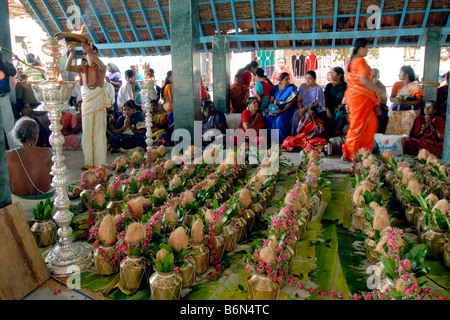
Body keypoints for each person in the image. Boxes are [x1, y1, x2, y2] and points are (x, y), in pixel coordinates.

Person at [66, 42, 109, 170]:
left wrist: (91, 53)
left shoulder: (102, 68)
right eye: (89, 54)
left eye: (95, 53)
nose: (92, 56)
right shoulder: (82, 68)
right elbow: (67, 67)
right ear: (84, 55)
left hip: (98, 103)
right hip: (87, 105)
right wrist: (71, 53)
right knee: (87, 134)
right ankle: (89, 163)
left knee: (98, 134)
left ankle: (100, 165)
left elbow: (102, 66)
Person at [342, 38, 386, 161]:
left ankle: (359, 153)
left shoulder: (351, 61)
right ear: (360, 48)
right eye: (366, 48)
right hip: (359, 98)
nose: (367, 50)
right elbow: (364, 80)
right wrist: (379, 90)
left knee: (367, 124)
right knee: (359, 126)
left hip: (357, 97)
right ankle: (351, 153)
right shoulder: (359, 60)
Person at [6, 117, 53, 198]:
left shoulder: (8, 156)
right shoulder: (48, 153)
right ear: (35, 136)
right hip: (46, 201)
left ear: (16, 136)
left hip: (20, 204)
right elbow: (54, 180)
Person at [264, 72, 297, 145]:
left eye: (289, 79)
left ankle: (282, 142)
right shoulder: (275, 88)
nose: (288, 81)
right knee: (268, 116)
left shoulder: (292, 87)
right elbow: (272, 100)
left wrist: (282, 110)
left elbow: (291, 102)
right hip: (277, 107)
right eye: (286, 79)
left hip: (288, 108)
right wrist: (273, 110)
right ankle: (273, 140)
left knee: (279, 119)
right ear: (280, 81)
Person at [290, 71, 325, 138]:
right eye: (306, 78)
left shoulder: (318, 89)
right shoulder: (302, 86)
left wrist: (305, 109)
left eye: (310, 79)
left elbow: (316, 103)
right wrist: (301, 109)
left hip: (311, 109)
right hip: (301, 107)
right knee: (296, 118)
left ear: (314, 79)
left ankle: (303, 139)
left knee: (307, 117)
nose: (308, 81)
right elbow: (299, 100)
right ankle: (295, 138)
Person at [0, 52, 19, 150]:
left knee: (9, 127)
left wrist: (3, 60)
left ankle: (15, 151)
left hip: (3, 98)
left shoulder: (3, 62)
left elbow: (13, 72)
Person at [324, 67, 347, 138]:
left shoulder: (346, 86)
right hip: (329, 108)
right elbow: (324, 100)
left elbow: (349, 98)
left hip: (341, 108)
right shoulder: (329, 86)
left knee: (339, 117)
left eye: (333, 73)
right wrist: (327, 110)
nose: (331, 75)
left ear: (339, 75)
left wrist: (343, 104)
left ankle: (336, 139)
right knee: (327, 118)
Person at [371, 68, 389, 134]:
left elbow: (382, 101)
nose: (372, 77)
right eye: (371, 75)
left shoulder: (381, 86)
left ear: (378, 77)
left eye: (375, 76)